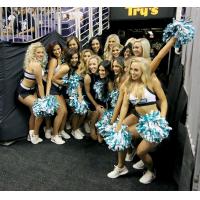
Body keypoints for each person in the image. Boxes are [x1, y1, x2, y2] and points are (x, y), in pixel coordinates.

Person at [107, 57, 169, 184]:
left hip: (155, 124)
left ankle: (151, 171)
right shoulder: (128, 85)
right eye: (131, 70)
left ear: (143, 71)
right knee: (122, 135)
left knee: (141, 151)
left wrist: (162, 119)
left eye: (136, 70)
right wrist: (118, 124)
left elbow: (163, 101)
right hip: (142, 123)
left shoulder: (151, 81)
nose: (133, 73)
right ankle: (121, 167)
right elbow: (124, 106)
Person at [17, 42, 47, 144]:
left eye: (42, 52)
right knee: (40, 111)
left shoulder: (36, 63)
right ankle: (35, 135)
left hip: (31, 91)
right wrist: (43, 100)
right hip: (24, 92)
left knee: (34, 113)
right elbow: (40, 84)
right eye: (38, 52)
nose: (41, 54)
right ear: (33, 53)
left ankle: (31, 135)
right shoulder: (36, 64)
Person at [46, 41, 70, 144]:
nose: (56, 51)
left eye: (58, 49)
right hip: (52, 89)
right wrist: (47, 94)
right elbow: (49, 78)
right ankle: (54, 135)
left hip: (59, 89)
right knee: (61, 112)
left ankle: (60, 132)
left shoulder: (63, 59)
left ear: (61, 48)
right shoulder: (53, 61)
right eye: (54, 50)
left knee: (65, 112)